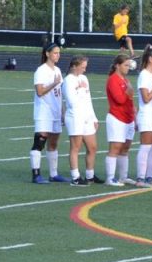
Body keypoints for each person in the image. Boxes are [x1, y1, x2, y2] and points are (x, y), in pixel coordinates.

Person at [30, 42, 66, 184]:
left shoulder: (57, 70)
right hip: (44, 112)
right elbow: (39, 92)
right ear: (47, 54)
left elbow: (60, 94)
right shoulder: (41, 70)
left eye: (59, 53)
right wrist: (53, 83)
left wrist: (62, 112)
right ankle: (36, 174)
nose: (58, 55)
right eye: (55, 53)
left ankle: (53, 174)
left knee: (54, 143)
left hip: (56, 112)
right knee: (40, 142)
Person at [62, 55, 101, 185]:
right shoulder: (68, 80)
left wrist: (93, 117)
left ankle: (90, 175)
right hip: (75, 117)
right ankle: (75, 177)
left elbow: (88, 99)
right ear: (74, 66)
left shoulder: (84, 78)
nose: (84, 70)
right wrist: (83, 115)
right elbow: (72, 102)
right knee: (76, 147)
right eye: (82, 67)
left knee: (92, 147)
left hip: (86, 117)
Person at [104, 54, 136, 187]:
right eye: (125, 65)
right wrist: (128, 92)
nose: (128, 68)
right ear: (118, 65)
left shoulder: (125, 80)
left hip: (128, 118)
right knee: (115, 148)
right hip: (117, 118)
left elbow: (130, 101)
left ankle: (123, 177)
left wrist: (134, 115)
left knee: (125, 148)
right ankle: (110, 178)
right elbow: (120, 100)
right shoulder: (113, 80)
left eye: (129, 65)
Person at [134, 45, 152, 187]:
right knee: (145, 147)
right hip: (147, 116)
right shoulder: (144, 75)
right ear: (150, 59)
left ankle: (150, 176)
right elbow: (145, 98)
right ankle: (140, 178)